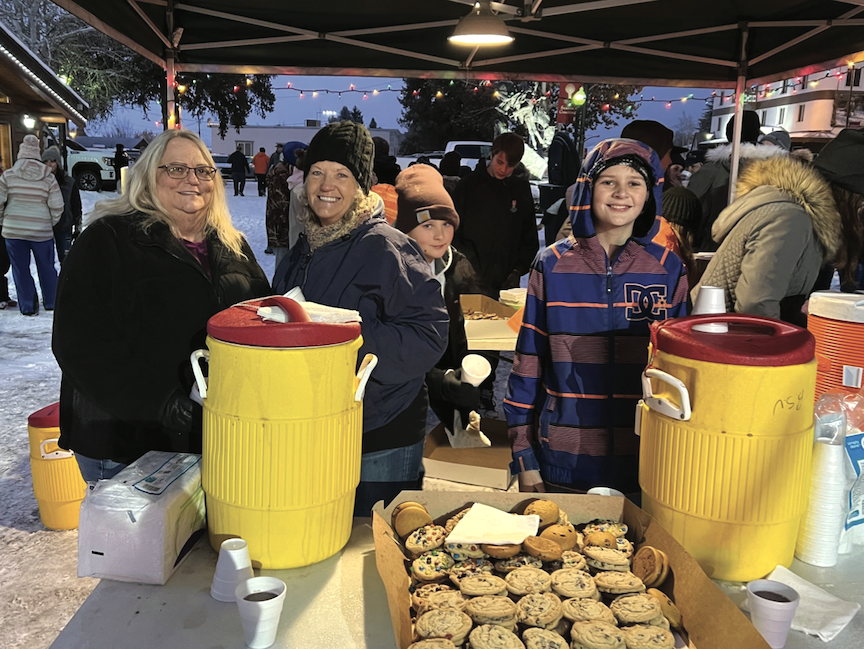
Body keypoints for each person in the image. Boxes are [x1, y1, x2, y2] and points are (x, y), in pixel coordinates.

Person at [52, 129, 271, 483]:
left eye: (203, 171)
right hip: (124, 442)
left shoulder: (233, 246)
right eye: (176, 169)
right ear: (148, 176)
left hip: (207, 435)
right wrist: (162, 403)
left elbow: (260, 319)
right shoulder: (109, 240)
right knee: (136, 540)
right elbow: (80, 344)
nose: (192, 180)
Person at [272, 121, 448, 515]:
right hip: (319, 423)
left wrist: (340, 339)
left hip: (381, 427)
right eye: (318, 172)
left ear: (360, 185)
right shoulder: (304, 247)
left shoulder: (388, 248)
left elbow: (429, 335)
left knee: (373, 544)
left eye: (341, 174)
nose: (326, 184)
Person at [505, 139, 688, 495]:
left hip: (645, 457)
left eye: (634, 183)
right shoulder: (552, 265)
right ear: (588, 189)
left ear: (650, 194)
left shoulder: (668, 269)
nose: (622, 193)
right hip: (563, 455)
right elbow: (528, 362)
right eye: (609, 182)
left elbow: (681, 373)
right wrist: (524, 457)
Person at [694, 128, 864, 326]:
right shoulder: (791, 218)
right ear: (852, 199)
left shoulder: (807, 219)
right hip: (723, 339)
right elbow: (756, 305)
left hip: (732, 336)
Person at [392, 164, 483, 432]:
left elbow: (476, 320)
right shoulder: (388, 270)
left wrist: (476, 363)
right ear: (406, 228)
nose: (440, 235)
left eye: (447, 224)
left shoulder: (457, 264)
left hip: (448, 366)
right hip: (402, 390)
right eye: (428, 225)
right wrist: (436, 380)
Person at [452, 132, 538, 410]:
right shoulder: (468, 186)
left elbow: (528, 236)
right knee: (466, 337)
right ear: (492, 153)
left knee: (492, 337)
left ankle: (485, 390)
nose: (504, 169)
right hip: (469, 275)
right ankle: (463, 390)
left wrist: (517, 269)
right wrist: (463, 264)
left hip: (502, 277)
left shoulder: (519, 190)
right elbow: (454, 230)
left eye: (510, 165)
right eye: (500, 162)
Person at [687, 110, 781, 250]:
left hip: (716, 249)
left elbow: (691, 213)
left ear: (728, 134)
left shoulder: (711, 171)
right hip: (767, 249)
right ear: (757, 134)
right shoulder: (782, 172)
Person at [0, 134, 63, 316]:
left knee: (20, 269)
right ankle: (51, 302)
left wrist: (4, 220)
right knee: (47, 267)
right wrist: (49, 222)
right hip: (41, 230)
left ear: (20, 153)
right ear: (38, 154)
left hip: (13, 231)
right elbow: (58, 205)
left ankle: (28, 306)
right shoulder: (48, 178)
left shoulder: (8, 176)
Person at [41, 146, 82, 264]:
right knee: (46, 262)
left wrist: (78, 227)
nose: (49, 164)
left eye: (52, 161)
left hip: (64, 225)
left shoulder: (68, 182)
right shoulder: (39, 181)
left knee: (66, 261)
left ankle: (66, 282)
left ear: (58, 163)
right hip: (44, 227)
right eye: (45, 161)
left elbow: (76, 206)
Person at [264, 153, 291, 268]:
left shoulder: (276, 172)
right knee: (283, 263)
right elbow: (283, 204)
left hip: (277, 224)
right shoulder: (282, 176)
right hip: (283, 227)